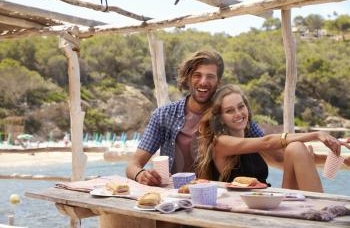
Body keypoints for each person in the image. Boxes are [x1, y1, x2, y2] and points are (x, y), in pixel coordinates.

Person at [126, 50, 265, 186]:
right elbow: (133, 165)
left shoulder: (230, 113)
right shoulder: (164, 115)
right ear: (188, 78)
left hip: (215, 199)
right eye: (197, 75)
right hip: (175, 198)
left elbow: (269, 147)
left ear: (219, 82)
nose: (203, 82)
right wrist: (141, 175)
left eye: (210, 76)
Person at [196, 84, 350, 192]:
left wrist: (342, 158)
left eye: (241, 106)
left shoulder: (252, 138)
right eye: (229, 110)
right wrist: (316, 135)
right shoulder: (220, 142)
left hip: (266, 201)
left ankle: (318, 210)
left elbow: (282, 160)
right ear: (221, 118)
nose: (238, 113)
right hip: (239, 208)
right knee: (295, 145)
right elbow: (268, 142)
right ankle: (320, 211)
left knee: (295, 148)